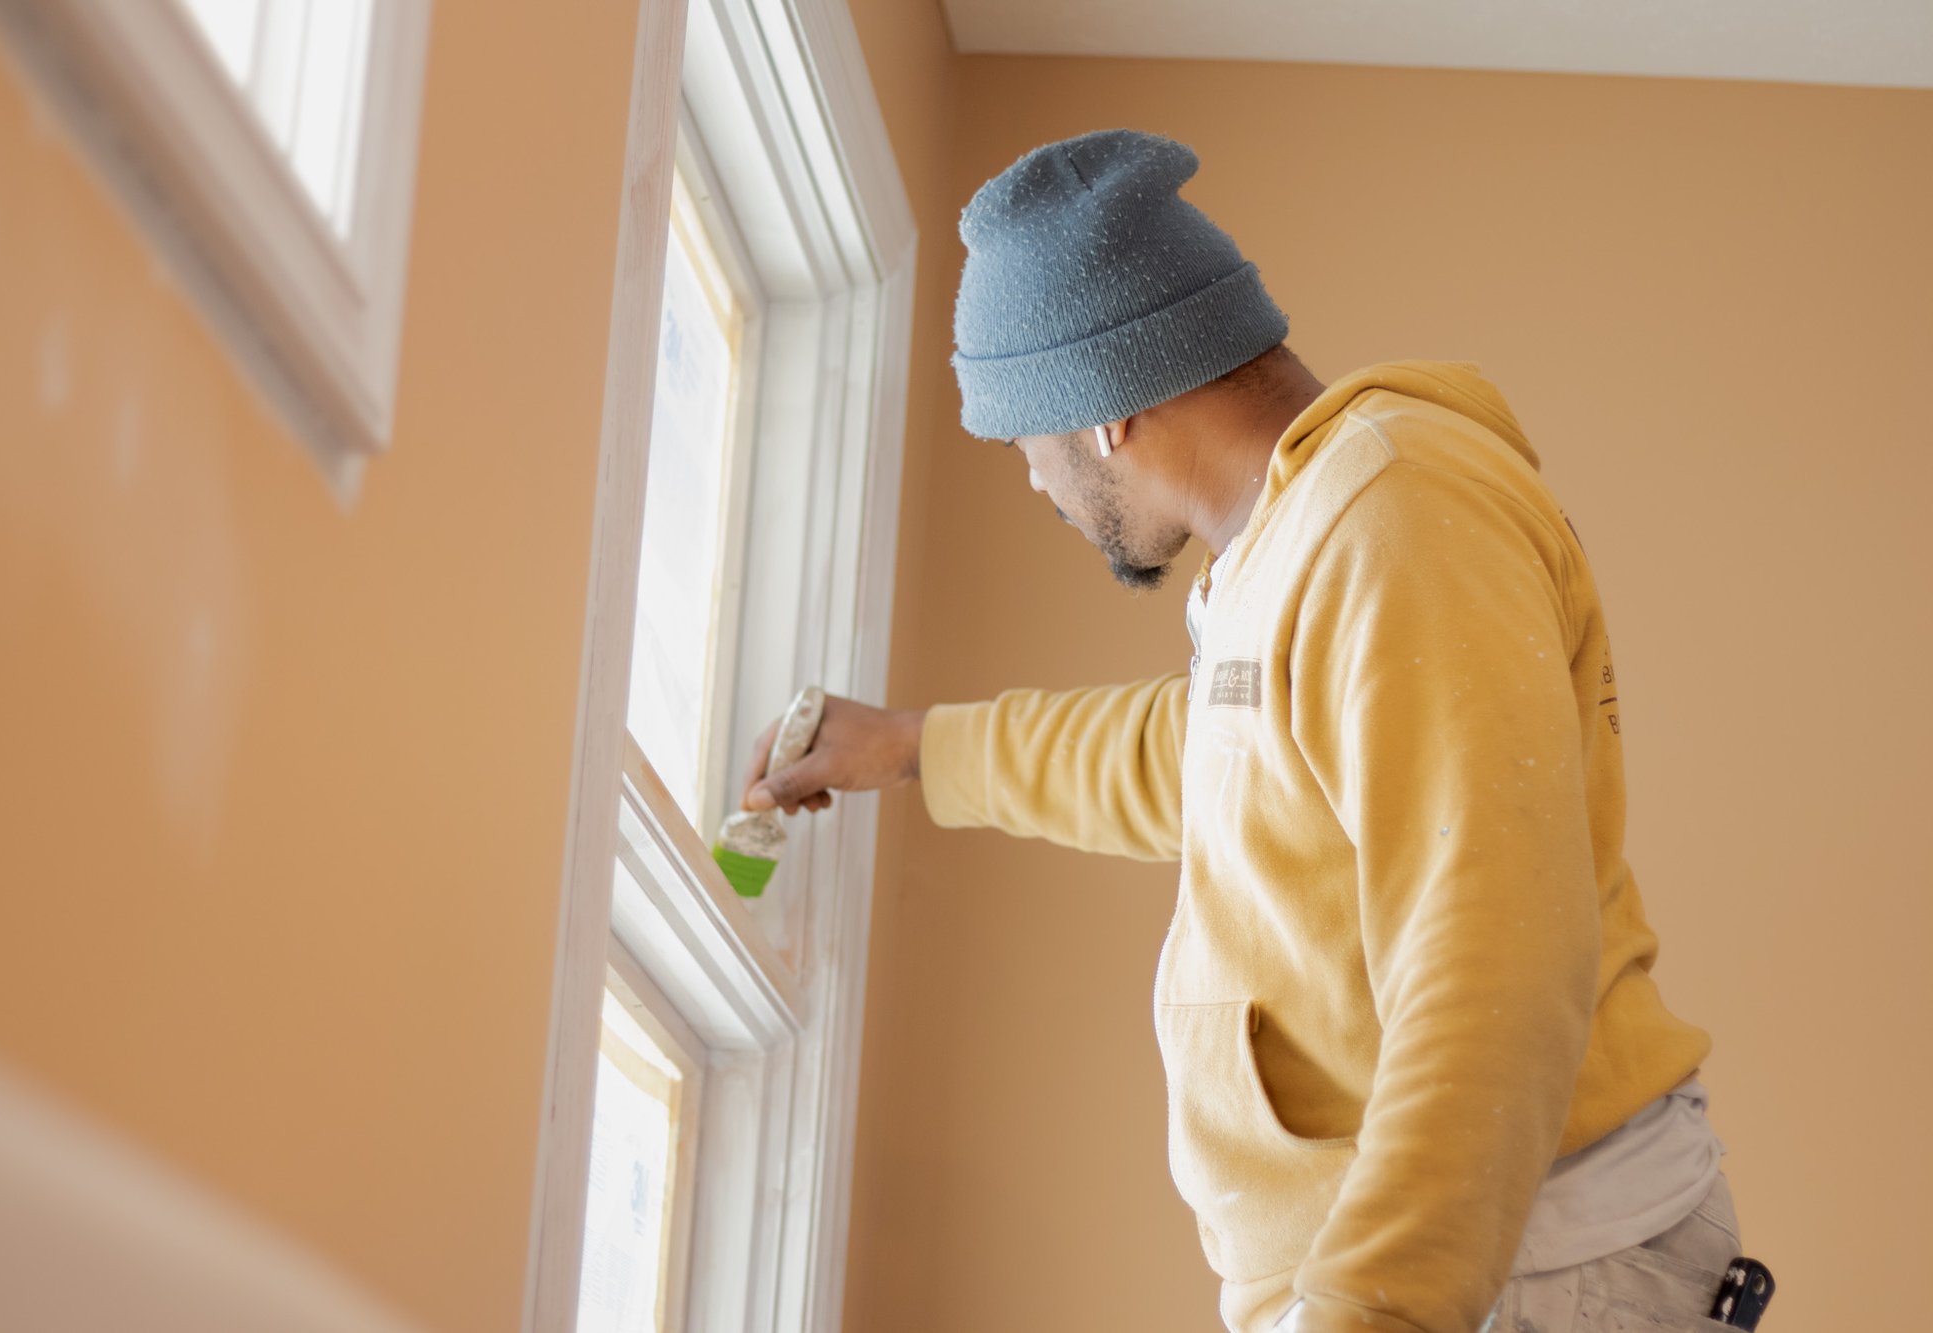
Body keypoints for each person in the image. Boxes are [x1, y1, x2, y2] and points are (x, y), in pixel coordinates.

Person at [739, 129, 1745, 1333]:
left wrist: (1368, 1312)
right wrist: (912, 745)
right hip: (1452, 1273)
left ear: (1101, 408)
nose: (1029, 480)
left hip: (1517, 1269)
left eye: (1021, 436)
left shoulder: (1394, 518)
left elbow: (1491, 966)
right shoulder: (1297, 552)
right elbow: (1199, 761)